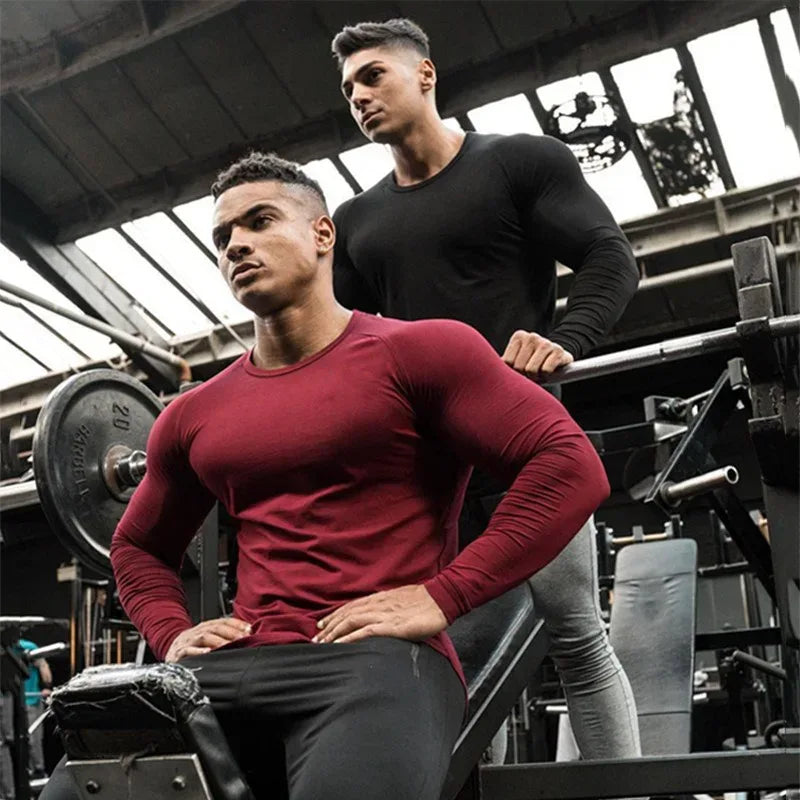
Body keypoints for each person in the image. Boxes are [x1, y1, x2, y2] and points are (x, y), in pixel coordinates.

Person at [41, 153, 609, 800]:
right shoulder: (191, 415)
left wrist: (442, 596)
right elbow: (137, 546)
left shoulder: (422, 352)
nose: (238, 246)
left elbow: (567, 463)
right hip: (227, 671)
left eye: (259, 221)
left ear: (321, 235)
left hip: (378, 662)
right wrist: (170, 634)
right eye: (223, 238)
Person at [330, 18, 641, 761]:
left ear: (426, 75)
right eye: (348, 88)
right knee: (458, 661)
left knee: (575, 637)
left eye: (373, 75)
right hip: (429, 477)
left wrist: (565, 340)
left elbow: (609, 256)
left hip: (524, 452)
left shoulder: (518, 163)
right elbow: (340, 346)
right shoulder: (356, 222)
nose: (359, 96)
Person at [16, 638, 52, 778]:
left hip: (30, 702)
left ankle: (37, 773)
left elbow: (47, 677)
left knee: (33, 742)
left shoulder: (28, 647)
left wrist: (46, 687)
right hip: (9, 702)